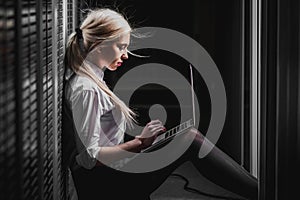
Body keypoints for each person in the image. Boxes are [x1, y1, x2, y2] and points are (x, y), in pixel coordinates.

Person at [63, 8, 258, 200]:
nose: (126, 55)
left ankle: (263, 192)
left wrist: (142, 143)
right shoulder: (86, 88)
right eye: (121, 47)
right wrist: (139, 143)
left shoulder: (94, 78)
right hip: (102, 187)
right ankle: (266, 193)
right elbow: (90, 158)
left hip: (111, 175)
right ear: (99, 44)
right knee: (190, 139)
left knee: (188, 137)